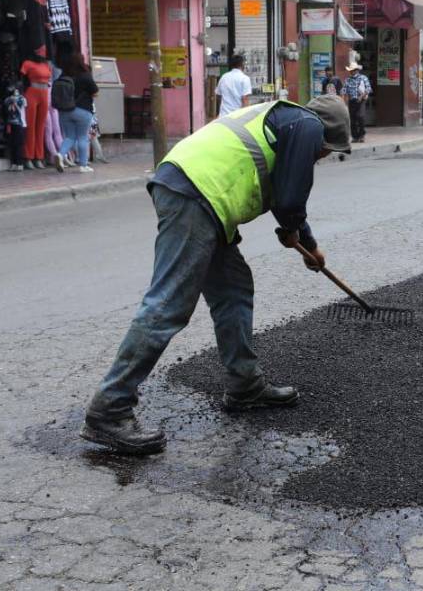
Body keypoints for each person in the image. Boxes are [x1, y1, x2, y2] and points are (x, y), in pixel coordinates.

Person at [80, 95, 353, 455]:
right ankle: (109, 409)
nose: (323, 156)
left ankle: (244, 385)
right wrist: (294, 231)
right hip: (196, 194)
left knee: (234, 288)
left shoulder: (282, 120)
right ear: (324, 135)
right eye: (327, 151)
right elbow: (289, 200)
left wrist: (305, 241)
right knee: (169, 304)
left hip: (195, 191)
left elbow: (283, 194)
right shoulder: (308, 126)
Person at [57, 52, 99, 173]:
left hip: (64, 111)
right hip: (82, 110)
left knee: (70, 136)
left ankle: (60, 155)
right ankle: (83, 165)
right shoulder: (85, 75)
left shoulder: (63, 75)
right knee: (82, 137)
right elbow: (95, 92)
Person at [20, 54, 53, 170]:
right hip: (32, 93)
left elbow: (49, 80)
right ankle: (28, 157)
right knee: (30, 127)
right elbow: (22, 78)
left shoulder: (47, 65)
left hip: (44, 94)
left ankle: (39, 157)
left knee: (41, 127)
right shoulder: (28, 63)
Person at [343, 61, 371, 142]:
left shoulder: (363, 78)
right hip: (352, 101)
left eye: (352, 70)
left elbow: (368, 89)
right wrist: (344, 101)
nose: (351, 72)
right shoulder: (348, 80)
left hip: (361, 100)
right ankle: (355, 137)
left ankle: (362, 135)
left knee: (360, 117)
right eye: (350, 70)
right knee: (352, 119)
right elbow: (344, 90)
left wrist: (361, 97)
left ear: (356, 70)